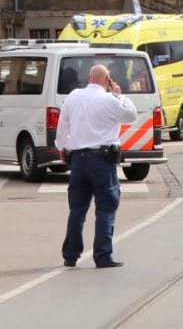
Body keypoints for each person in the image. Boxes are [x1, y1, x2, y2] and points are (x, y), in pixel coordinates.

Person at [58, 63, 136, 268]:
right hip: (101, 160)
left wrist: (62, 147)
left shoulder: (74, 96)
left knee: (77, 209)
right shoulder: (109, 99)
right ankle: (102, 255)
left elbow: (63, 123)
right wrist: (119, 95)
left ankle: (70, 255)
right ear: (107, 80)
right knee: (106, 207)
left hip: (78, 159)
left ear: (89, 78)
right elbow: (131, 115)